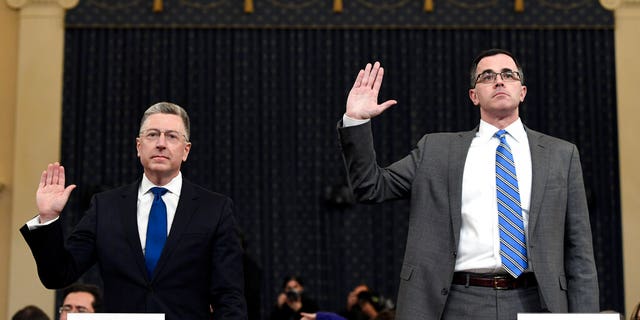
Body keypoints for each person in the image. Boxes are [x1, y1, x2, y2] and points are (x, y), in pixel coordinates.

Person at [337, 49, 599, 319]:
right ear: (474, 96)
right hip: (456, 301)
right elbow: (371, 187)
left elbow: (579, 250)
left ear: (522, 91)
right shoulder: (436, 150)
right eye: (487, 76)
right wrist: (356, 120)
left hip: (536, 300)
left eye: (508, 75)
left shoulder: (561, 154)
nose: (499, 81)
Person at [20, 102, 247, 319]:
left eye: (171, 136)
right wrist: (48, 218)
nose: (161, 143)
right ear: (139, 147)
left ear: (185, 150)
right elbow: (59, 274)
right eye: (152, 135)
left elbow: (229, 296)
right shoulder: (105, 206)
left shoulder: (215, 209)